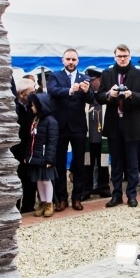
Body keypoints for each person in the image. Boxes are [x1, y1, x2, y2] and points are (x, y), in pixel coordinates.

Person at [97, 45, 140, 208]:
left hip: (132, 124)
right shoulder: (107, 73)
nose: (122, 59)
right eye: (119, 56)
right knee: (116, 162)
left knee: (132, 162)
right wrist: (109, 94)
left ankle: (132, 195)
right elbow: (99, 97)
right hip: (114, 123)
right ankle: (116, 195)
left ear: (130, 56)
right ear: (114, 57)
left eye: (125, 56)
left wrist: (131, 95)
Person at [47, 49, 94, 211]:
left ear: (78, 61)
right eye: (68, 59)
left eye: (74, 59)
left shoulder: (85, 78)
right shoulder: (55, 76)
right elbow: (52, 91)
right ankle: (62, 199)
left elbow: (92, 99)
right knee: (59, 163)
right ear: (63, 60)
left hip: (78, 126)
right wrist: (70, 90)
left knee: (79, 163)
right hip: (60, 125)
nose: (71, 62)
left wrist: (87, 91)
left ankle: (77, 198)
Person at [24, 93, 59, 216]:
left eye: (33, 105)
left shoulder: (51, 121)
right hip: (36, 157)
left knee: (46, 181)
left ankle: (49, 203)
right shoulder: (35, 120)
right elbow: (30, 139)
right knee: (39, 180)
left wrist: (50, 159)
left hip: (45, 157)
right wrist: (28, 155)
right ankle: (43, 203)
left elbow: (53, 142)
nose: (31, 107)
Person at [81, 67, 111, 201]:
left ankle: (104, 187)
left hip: (102, 136)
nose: (89, 83)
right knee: (87, 164)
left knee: (103, 164)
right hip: (88, 136)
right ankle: (86, 189)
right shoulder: (85, 97)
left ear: (99, 80)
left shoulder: (105, 96)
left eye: (92, 80)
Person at [12, 77, 37, 214]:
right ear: (22, 94)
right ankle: (15, 207)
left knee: (30, 180)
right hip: (17, 150)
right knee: (17, 180)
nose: (34, 95)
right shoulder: (14, 109)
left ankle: (28, 206)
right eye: (31, 92)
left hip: (30, 149)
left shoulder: (32, 107)